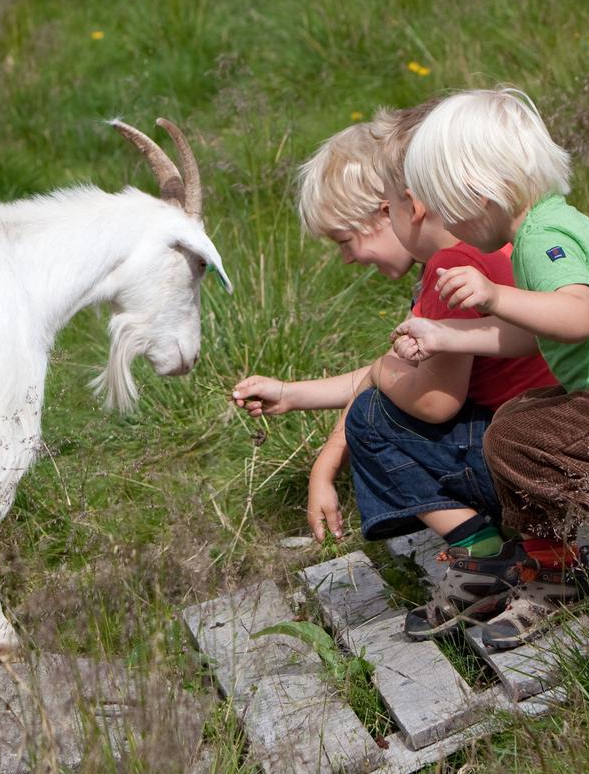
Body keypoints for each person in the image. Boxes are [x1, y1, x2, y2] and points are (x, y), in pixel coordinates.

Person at [392, 87, 589, 650]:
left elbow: (575, 316)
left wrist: (491, 294)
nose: (444, 223)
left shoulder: (542, 238)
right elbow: (531, 335)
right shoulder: (542, 229)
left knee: (517, 437)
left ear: (480, 191)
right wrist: (442, 332)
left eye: (447, 207)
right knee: (516, 423)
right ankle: (555, 568)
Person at [233, 105, 554, 637]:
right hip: (549, 433)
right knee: (378, 405)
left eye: (344, 240)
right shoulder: (487, 244)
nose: (345, 258)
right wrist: (293, 396)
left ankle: (483, 559)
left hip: (516, 454)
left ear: (394, 210)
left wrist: (377, 381)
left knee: (376, 417)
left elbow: (430, 403)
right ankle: (510, 541)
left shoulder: (451, 271)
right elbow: (391, 375)